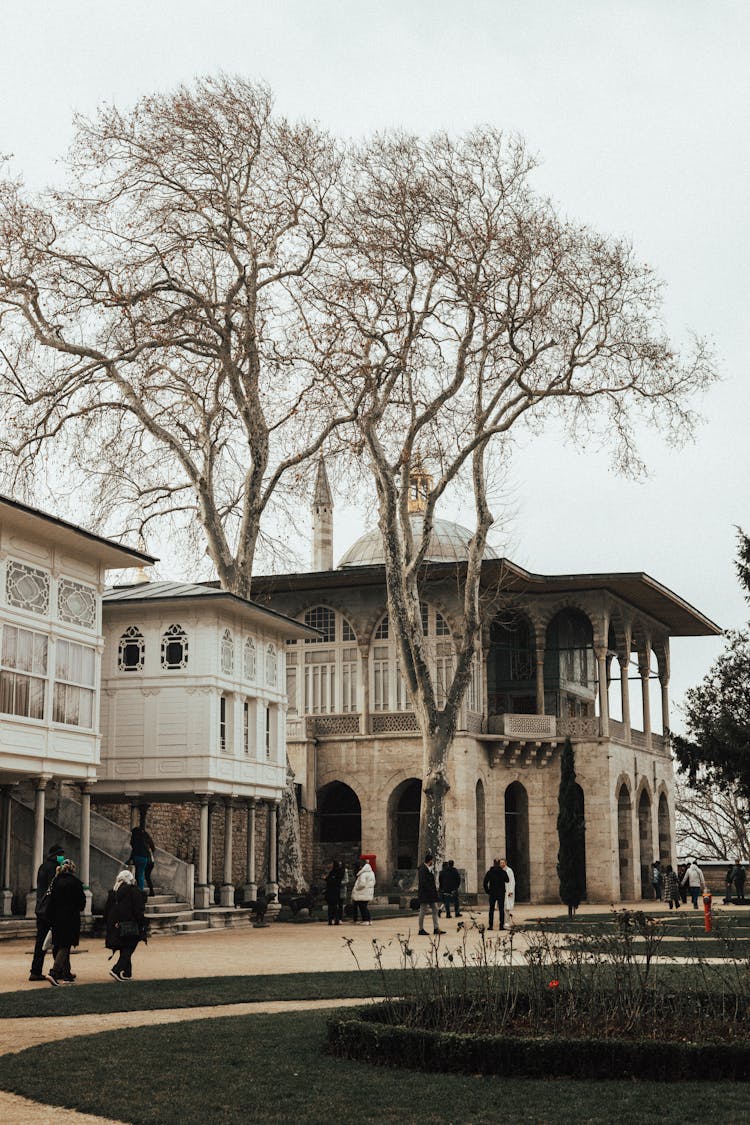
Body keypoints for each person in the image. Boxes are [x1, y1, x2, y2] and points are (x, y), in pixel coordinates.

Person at [46, 859, 86, 986]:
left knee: (60, 945)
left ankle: (67, 974)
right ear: (73, 869)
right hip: (70, 918)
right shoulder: (75, 883)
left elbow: (50, 902)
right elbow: (81, 904)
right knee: (65, 945)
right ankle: (54, 972)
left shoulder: (55, 881)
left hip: (56, 918)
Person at [29, 842, 65, 982]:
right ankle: (59, 970)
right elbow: (55, 889)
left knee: (41, 941)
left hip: (42, 909)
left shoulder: (43, 867)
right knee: (58, 940)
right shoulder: (54, 868)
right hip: (51, 910)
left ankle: (36, 970)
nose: (62, 857)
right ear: (56, 856)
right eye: (61, 855)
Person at [104, 869, 146, 980]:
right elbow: (138, 909)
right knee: (130, 946)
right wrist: (142, 922)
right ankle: (116, 970)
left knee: (125, 947)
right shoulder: (133, 891)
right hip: (130, 923)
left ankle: (127, 973)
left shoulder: (114, 891)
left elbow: (107, 910)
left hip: (116, 924)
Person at [417, 853, 444, 936]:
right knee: (422, 911)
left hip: (430, 894)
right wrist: (430, 891)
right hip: (425, 894)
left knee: (435, 909)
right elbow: (423, 882)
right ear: (430, 860)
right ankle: (421, 929)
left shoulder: (428, 868)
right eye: (432, 860)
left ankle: (436, 928)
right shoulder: (422, 869)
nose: (433, 862)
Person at [483, 858, 509, 930]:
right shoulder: (503, 872)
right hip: (501, 893)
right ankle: (501, 926)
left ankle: (490, 926)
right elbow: (507, 880)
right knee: (501, 909)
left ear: (493, 863)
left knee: (491, 909)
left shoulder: (490, 872)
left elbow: (485, 882)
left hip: (492, 893)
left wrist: (487, 891)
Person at [129, 824, 155, 893]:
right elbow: (153, 849)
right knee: (144, 876)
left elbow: (133, 848)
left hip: (140, 858)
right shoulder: (146, 840)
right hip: (147, 859)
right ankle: (146, 891)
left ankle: (139, 891)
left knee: (139, 875)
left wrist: (131, 858)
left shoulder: (136, 838)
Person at [351, 858, 375, 925]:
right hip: (367, 892)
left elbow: (362, 884)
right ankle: (368, 919)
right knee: (364, 907)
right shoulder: (371, 872)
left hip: (362, 892)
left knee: (362, 907)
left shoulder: (363, 874)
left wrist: (357, 888)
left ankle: (366, 920)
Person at [324, 860, 344, 925]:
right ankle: (332, 919)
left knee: (334, 906)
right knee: (332, 906)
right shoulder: (332, 872)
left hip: (334, 890)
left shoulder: (337, 872)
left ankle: (334, 919)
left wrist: (327, 879)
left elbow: (335, 881)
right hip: (332, 891)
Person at [501, 858, 516, 926]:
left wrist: (511, 891)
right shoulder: (500, 870)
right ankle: (503, 921)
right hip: (502, 890)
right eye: (501, 863)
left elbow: (512, 881)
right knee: (503, 906)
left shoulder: (509, 870)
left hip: (508, 890)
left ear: (505, 863)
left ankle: (507, 921)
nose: (502, 864)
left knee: (507, 907)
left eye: (503, 863)